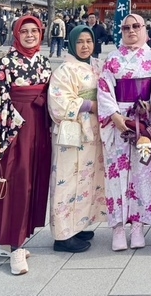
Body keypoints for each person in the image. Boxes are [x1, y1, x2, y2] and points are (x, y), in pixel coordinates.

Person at [0, 15, 51, 276]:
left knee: (31, 183)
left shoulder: (41, 60)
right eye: (24, 31)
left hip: (39, 128)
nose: (30, 35)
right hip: (14, 129)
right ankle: (15, 245)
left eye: (34, 31)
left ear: (41, 34)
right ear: (16, 34)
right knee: (16, 183)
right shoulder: (7, 61)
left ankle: (13, 240)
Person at [98, 13, 151, 251]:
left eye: (136, 26)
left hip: (146, 120)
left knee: (143, 172)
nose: (131, 31)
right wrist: (115, 116)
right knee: (117, 174)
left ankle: (137, 224)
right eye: (126, 27)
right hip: (119, 118)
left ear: (144, 28)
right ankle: (118, 227)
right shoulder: (113, 59)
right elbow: (104, 89)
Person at [47, 25, 107, 253]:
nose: (84, 46)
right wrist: (91, 105)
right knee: (67, 181)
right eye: (80, 42)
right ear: (71, 43)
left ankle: (79, 224)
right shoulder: (64, 70)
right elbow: (58, 102)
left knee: (87, 179)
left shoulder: (96, 66)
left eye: (88, 41)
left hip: (92, 132)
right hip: (72, 133)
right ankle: (63, 235)